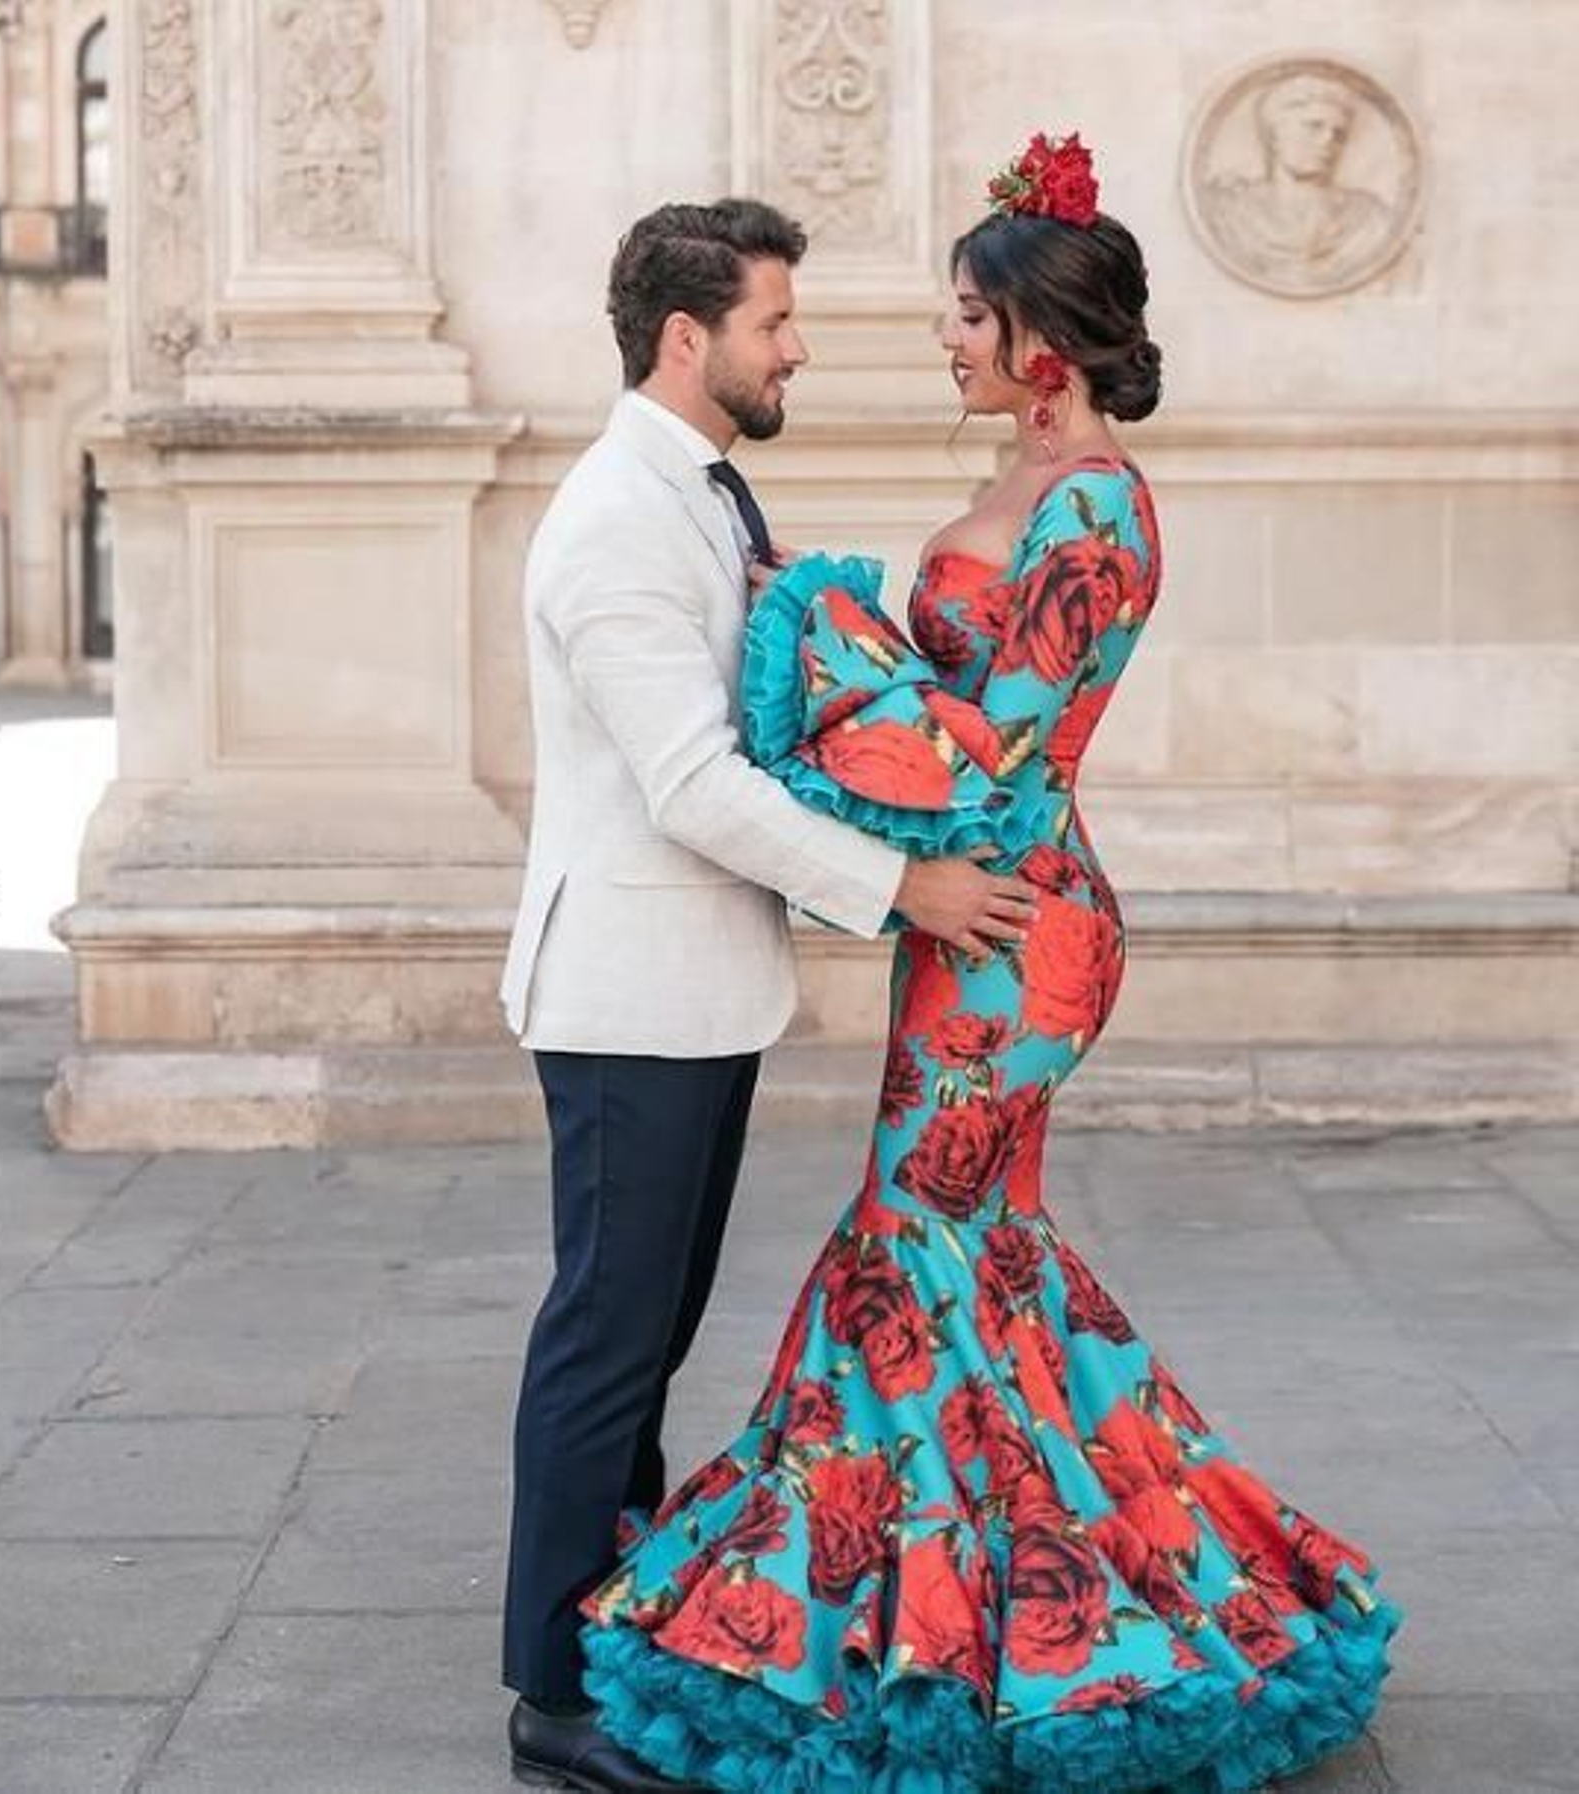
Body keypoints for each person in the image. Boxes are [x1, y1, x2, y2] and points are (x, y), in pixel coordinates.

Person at [577, 133, 1401, 1790]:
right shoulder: (1019, 489)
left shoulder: (1096, 507)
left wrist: (824, 623)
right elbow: (935, 744)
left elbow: (994, 749)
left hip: (1022, 931)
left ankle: (1001, 1629)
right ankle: (1044, 1606)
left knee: (914, 1247)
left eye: (964, 310)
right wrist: (797, 619)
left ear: (1041, 330)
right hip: (967, 915)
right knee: (972, 1259)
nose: (943, 336)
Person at [499, 198, 1041, 1793]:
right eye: (775, 322)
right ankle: (552, 1690)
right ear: (691, 338)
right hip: (628, 994)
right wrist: (907, 888)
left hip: (697, 990)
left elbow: (758, 695)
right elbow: (690, 783)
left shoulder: (705, 498)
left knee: (646, 1337)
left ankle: (611, 1627)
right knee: (605, 1338)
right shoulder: (614, 519)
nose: (795, 345)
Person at [1206, 72, 1392, 288]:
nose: (1328, 141)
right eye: (1314, 126)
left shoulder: (1368, 218)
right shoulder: (1231, 211)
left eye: (1339, 134)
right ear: (1274, 132)